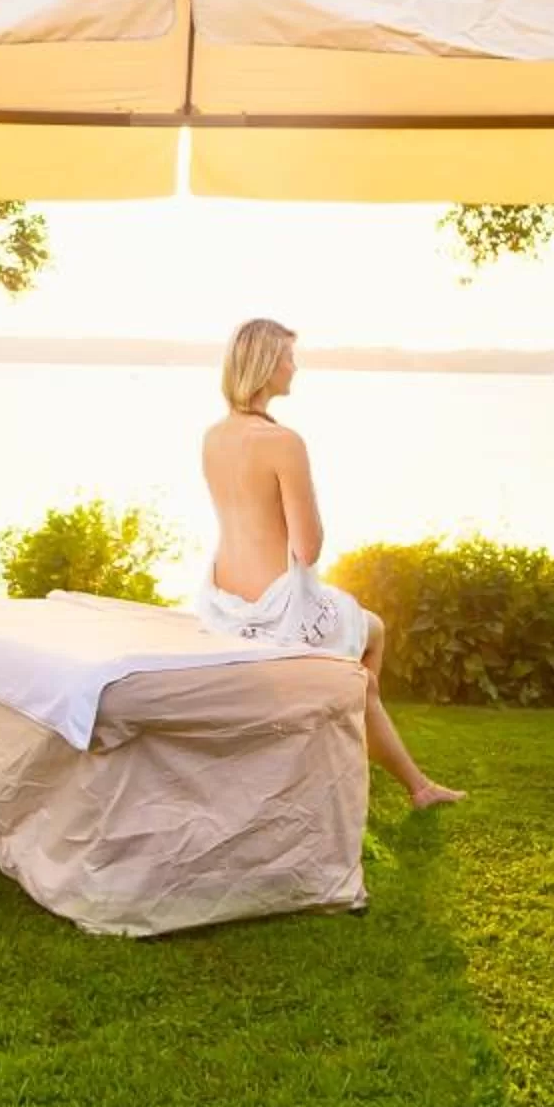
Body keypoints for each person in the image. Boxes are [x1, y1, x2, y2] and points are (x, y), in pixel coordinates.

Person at [195, 318, 462, 810]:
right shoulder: (283, 442)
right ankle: (355, 765)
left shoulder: (213, 437)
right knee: (374, 634)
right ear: (266, 365)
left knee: (357, 665)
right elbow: (309, 548)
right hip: (279, 608)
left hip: (222, 602)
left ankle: (412, 782)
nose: (294, 366)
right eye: (288, 357)